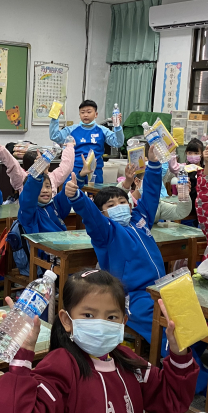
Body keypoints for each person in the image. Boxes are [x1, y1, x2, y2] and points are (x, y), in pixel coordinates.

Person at [0, 270, 198, 413]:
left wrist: (179, 352)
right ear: (66, 320)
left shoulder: (127, 362)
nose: (101, 325)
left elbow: (173, 400)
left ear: (123, 322)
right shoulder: (60, 366)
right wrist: (22, 357)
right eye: (89, 315)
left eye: (111, 317)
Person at [64, 147, 166, 343]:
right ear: (102, 213)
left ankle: (193, 358)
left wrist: (153, 164)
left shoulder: (140, 219)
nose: (119, 207)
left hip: (160, 287)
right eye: (110, 206)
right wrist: (76, 196)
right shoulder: (106, 231)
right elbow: (90, 215)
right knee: (165, 326)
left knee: (190, 319)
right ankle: (175, 358)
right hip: (133, 296)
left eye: (122, 202)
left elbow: (151, 195)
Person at [49, 100, 124, 185]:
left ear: (96, 114)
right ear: (79, 114)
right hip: (75, 170)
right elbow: (55, 136)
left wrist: (117, 127)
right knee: (72, 192)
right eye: (82, 112)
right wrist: (54, 119)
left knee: (93, 193)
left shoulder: (102, 130)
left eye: (89, 112)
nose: (85, 115)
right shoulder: (71, 129)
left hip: (95, 172)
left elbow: (118, 142)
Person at [0, 136, 74, 196]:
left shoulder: (52, 177)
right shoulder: (23, 179)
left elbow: (66, 166)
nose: (45, 191)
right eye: (39, 163)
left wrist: (69, 146)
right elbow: (12, 164)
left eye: (44, 161)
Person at [119, 163, 192, 222]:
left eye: (155, 182)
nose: (152, 186)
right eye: (148, 181)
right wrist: (127, 182)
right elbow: (116, 197)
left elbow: (180, 213)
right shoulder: (125, 201)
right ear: (137, 181)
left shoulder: (156, 203)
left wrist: (184, 195)